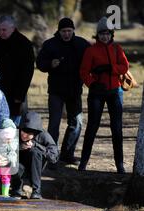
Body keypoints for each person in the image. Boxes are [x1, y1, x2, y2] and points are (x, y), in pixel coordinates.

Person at [36, 17, 90, 167]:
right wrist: (49, 64)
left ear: (73, 30)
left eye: (69, 31)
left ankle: (67, 154)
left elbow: (92, 61)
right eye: (63, 31)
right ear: (59, 31)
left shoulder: (82, 44)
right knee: (54, 124)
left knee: (77, 123)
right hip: (56, 90)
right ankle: (51, 156)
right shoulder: (50, 45)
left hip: (74, 90)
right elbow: (39, 63)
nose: (66, 34)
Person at [78, 17, 129, 174]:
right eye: (101, 33)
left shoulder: (117, 48)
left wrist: (110, 67)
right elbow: (83, 72)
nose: (104, 36)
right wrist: (92, 83)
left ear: (111, 34)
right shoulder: (91, 50)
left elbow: (125, 66)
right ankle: (84, 162)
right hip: (97, 93)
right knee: (92, 127)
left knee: (117, 129)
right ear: (97, 35)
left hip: (115, 92)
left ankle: (119, 164)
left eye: (107, 33)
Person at [0, 15, 34, 127]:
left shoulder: (24, 44)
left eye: (4, 30)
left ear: (13, 28)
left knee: (13, 128)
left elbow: (27, 72)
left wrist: (19, 95)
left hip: (16, 93)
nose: (1, 32)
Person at [11, 111, 59, 199]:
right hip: (18, 166)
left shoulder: (43, 135)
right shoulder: (15, 132)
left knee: (35, 152)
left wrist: (36, 145)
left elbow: (54, 157)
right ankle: (16, 188)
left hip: (35, 167)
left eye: (28, 134)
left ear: (35, 133)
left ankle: (36, 191)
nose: (24, 135)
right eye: (23, 131)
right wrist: (19, 147)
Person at [0, 119, 18, 197]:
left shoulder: (13, 143)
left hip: (6, 164)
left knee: (6, 177)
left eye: (9, 139)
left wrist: (7, 159)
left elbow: (13, 154)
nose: (7, 140)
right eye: (5, 138)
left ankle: (5, 194)